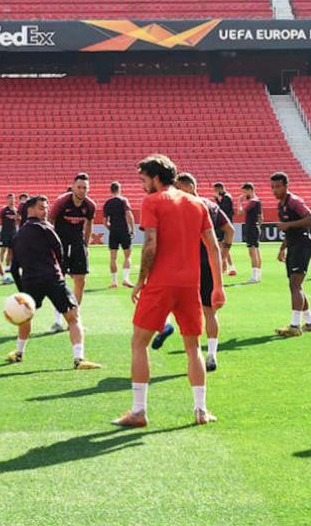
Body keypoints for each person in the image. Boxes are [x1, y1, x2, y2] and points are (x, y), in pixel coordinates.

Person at [113, 155, 221, 428]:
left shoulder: (152, 202)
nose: (141, 185)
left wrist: (140, 280)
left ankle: (138, 411)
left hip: (161, 283)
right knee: (193, 347)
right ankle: (201, 410)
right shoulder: (198, 203)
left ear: (156, 177)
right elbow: (213, 247)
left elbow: (150, 244)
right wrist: (218, 287)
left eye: (143, 179)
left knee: (139, 343)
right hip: (190, 286)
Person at [6, 195, 102, 371]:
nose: (46, 210)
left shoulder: (18, 235)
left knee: (25, 318)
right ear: (30, 210)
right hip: (52, 278)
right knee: (73, 318)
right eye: (42, 207)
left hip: (30, 282)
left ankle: (19, 352)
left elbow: (14, 268)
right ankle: (79, 359)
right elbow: (60, 252)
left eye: (46, 207)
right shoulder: (47, 228)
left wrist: (22, 293)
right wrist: (61, 272)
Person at [154, 173, 231, 373]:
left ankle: (167, 325)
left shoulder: (185, 206)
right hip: (208, 263)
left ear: (188, 187)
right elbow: (229, 229)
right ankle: (212, 354)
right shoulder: (211, 206)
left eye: (178, 188)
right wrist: (223, 255)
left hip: (187, 263)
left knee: (174, 301)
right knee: (209, 311)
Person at [271, 172, 311, 338]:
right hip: (293, 245)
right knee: (295, 285)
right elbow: (288, 229)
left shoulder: (294, 202)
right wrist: (282, 248)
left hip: (302, 244)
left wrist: (288, 224)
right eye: (273, 187)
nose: (275, 190)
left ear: (286, 186)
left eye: (278, 187)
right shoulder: (281, 205)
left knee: (294, 285)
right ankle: (309, 323)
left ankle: (295, 326)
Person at [48, 173, 95, 333]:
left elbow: (89, 224)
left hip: (77, 244)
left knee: (80, 281)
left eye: (85, 188)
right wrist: (50, 244)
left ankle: (74, 319)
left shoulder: (89, 205)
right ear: (73, 187)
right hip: (60, 244)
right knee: (58, 281)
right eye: (79, 187)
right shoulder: (62, 202)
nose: (82, 190)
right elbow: (50, 221)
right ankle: (57, 320)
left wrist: (86, 245)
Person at [103, 181, 135, 289]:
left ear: (110, 190)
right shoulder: (123, 200)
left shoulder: (107, 203)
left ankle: (114, 281)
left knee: (113, 257)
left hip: (114, 232)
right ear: (119, 189)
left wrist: (111, 228)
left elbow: (105, 221)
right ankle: (126, 279)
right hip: (124, 230)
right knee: (127, 256)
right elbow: (129, 214)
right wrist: (132, 228)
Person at [212, 182, 237, 276]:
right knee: (222, 245)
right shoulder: (225, 197)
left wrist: (217, 201)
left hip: (224, 226)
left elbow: (223, 210)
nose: (215, 192)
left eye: (215, 190)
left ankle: (227, 266)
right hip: (223, 225)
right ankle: (227, 266)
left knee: (222, 245)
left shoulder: (226, 197)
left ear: (219, 189)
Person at [240, 182, 263, 283]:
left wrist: (239, 201)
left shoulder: (253, 201)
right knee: (256, 251)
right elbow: (261, 217)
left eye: (245, 192)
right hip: (256, 227)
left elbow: (240, 212)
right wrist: (259, 226)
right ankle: (258, 275)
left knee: (252, 252)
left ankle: (254, 276)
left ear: (250, 190)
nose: (244, 194)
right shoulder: (258, 201)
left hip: (251, 228)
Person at [0, 193, 20, 271]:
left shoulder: (16, 210)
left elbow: (19, 219)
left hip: (13, 232)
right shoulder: (4, 210)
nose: (12, 200)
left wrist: (17, 218)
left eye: (13, 198)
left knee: (11, 250)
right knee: (3, 249)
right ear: (7, 200)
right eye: (10, 198)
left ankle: (8, 266)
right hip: (5, 232)